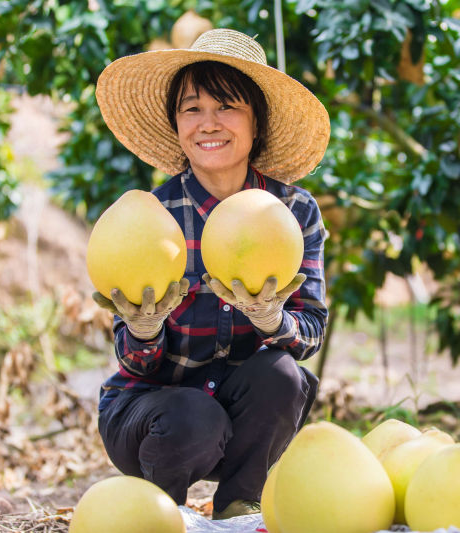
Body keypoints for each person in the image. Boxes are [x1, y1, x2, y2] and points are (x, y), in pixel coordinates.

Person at [91, 28, 331, 519]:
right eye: (192, 108)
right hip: (154, 415)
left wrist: (270, 318)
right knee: (193, 417)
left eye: (227, 107)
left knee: (284, 376)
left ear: (256, 121)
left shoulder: (294, 212)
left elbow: (308, 336)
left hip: (244, 416)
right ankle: (162, 514)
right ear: (176, 124)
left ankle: (238, 507)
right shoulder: (154, 216)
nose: (209, 123)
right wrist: (142, 328)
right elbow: (134, 363)